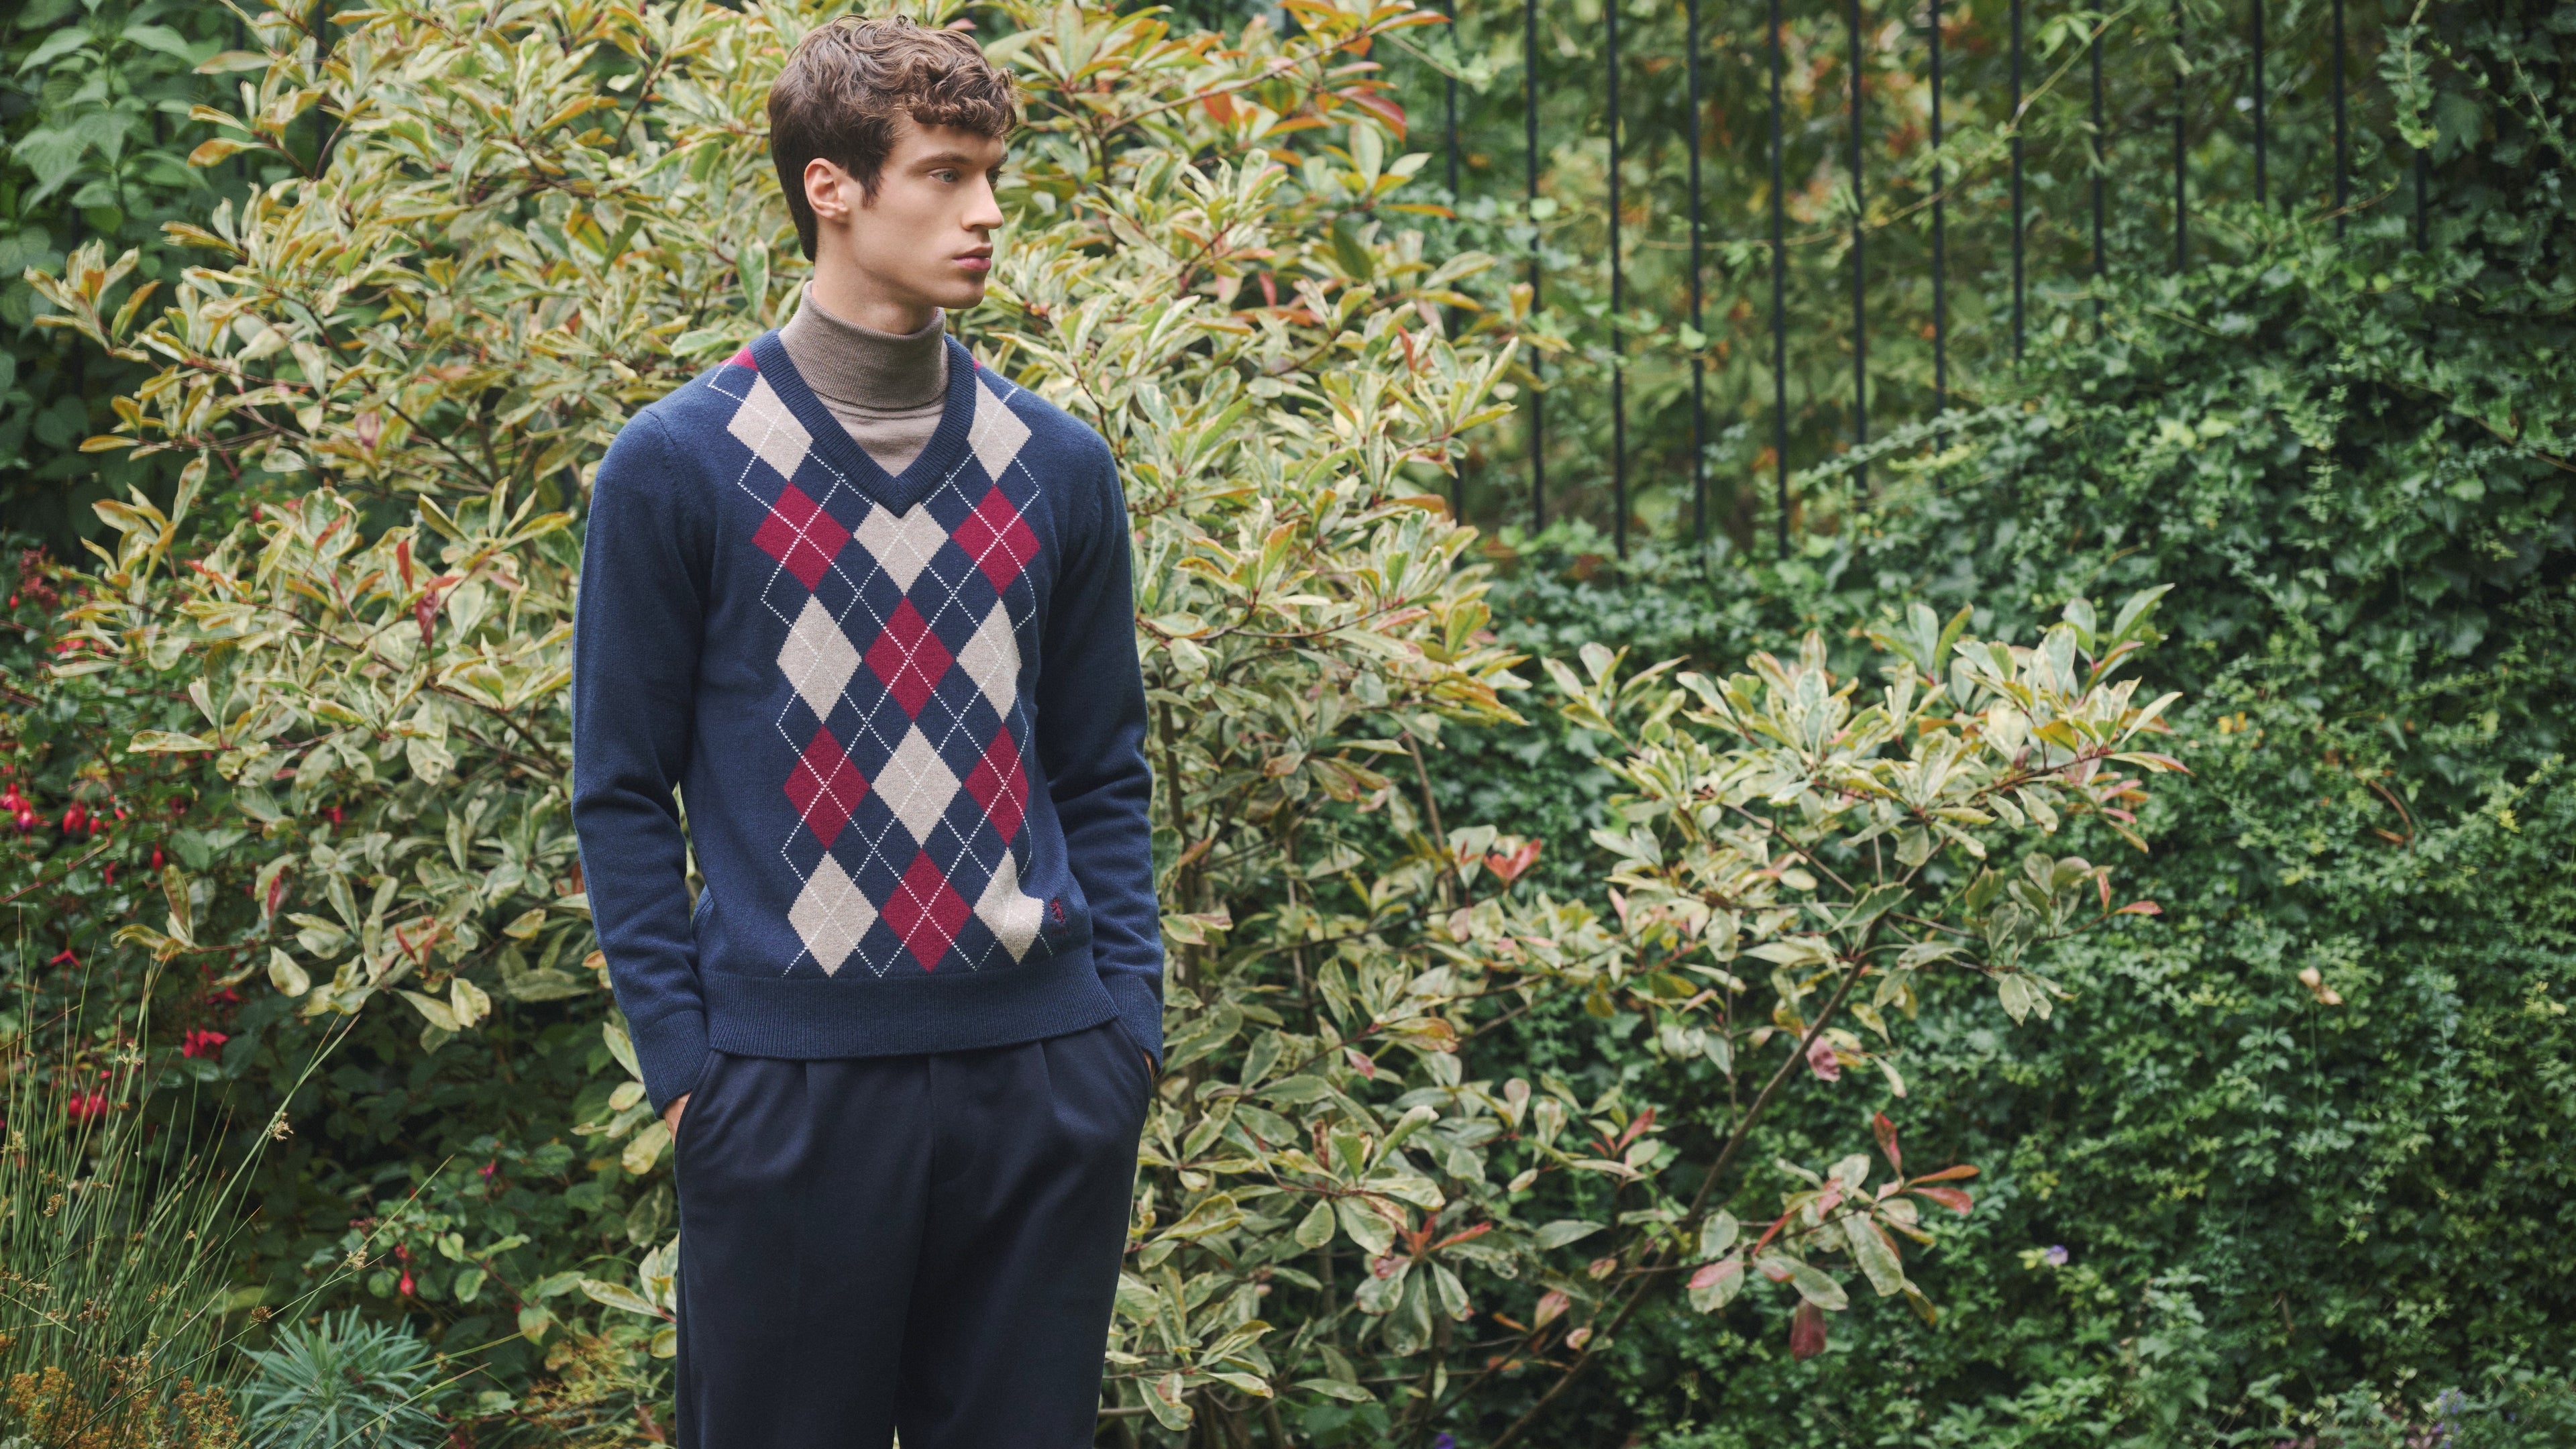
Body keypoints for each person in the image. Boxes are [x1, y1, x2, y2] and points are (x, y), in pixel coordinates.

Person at [569, 17, 1162, 1446]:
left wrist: (1123, 1034)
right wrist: (690, 1074)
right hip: (784, 1094)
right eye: (946, 175)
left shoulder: (1058, 467)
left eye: (994, 175)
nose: (988, 212)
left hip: (1045, 1079)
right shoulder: (678, 467)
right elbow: (620, 791)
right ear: (829, 189)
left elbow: (1100, 766)